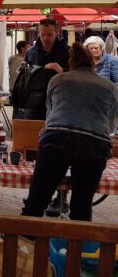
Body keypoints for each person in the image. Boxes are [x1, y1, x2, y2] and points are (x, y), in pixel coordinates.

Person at [22, 43, 118, 221]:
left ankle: (24, 246)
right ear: (92, 64)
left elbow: (50, 114)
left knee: (37, 200)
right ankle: (75, 247)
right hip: (96, 142)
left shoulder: (57, 80)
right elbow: (111, 125)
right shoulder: (110, 87)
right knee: (82, 206)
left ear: (71, 63)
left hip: (56, 136)